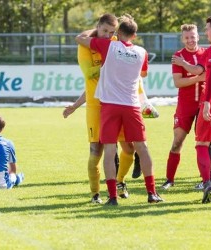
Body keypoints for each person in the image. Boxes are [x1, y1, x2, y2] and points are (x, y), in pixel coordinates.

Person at [75, 14, 162, 205]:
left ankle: (112, 197)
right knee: (142, 148)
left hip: (110, 105)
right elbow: (144, 74)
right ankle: (152, 193)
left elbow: (80, 39)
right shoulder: (142, 52)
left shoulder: (108, 46)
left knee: (109, 149)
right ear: (135, 35)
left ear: (118, 33)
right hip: (131, 105)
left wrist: (97, 32)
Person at [63, 14, 143, 204]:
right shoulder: (85, 47)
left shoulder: (114, 43)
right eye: (104, 31)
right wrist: (76, 105)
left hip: (118, 102)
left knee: (129, 148)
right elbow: (90, 75)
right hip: (96, 105)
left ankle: (120, 182)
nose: (108, 35)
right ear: (97, 27)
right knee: (95, 150)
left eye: (111, 32)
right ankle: (95, 193)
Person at [172, 15, 211, 203]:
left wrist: (206, 102)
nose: (205, 33)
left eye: (206, 30)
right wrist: (184, 64)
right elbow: (199, 70)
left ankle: (207, 182)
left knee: (201, 144)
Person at [161, 24, 206, 190]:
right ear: (182, 39)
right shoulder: (178, 56)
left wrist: (197, 76)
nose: (190, 40)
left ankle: (206, 179)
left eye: (193, 36)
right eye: (187, 37)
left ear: (198, 37)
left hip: (203, 104)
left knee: (205, 143)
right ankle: (169, 179)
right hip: (185, 105)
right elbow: (178, 82)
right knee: (177, 142)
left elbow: (207, 76)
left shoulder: (205, 53)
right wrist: (198, 78)